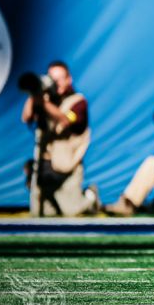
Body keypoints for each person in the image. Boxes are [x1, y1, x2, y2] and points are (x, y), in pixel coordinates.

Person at [20, 61, 99, 216]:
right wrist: (33, 94)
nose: (56, 83)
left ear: (69, 79)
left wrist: (44, 103)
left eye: (60, 79)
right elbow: (26, 117)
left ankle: (90, 197)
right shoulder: (44, 99)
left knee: (72, 213)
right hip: (44, 165)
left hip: (67, 167)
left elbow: (64, 119)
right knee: (39, 214)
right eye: (52, 78)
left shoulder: (78, 101)